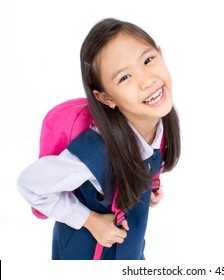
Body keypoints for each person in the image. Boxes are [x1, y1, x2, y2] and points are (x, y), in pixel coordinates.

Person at [17, 18, 181, 260]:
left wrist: (149, 186)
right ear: (106, 98)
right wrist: (90, 221)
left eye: (148, 60)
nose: (147, 80)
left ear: (160, 53)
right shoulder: (96, 152)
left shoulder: (155, 121)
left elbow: (144, 158)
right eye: (124, 78)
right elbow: (29, 184)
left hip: (129, 251)